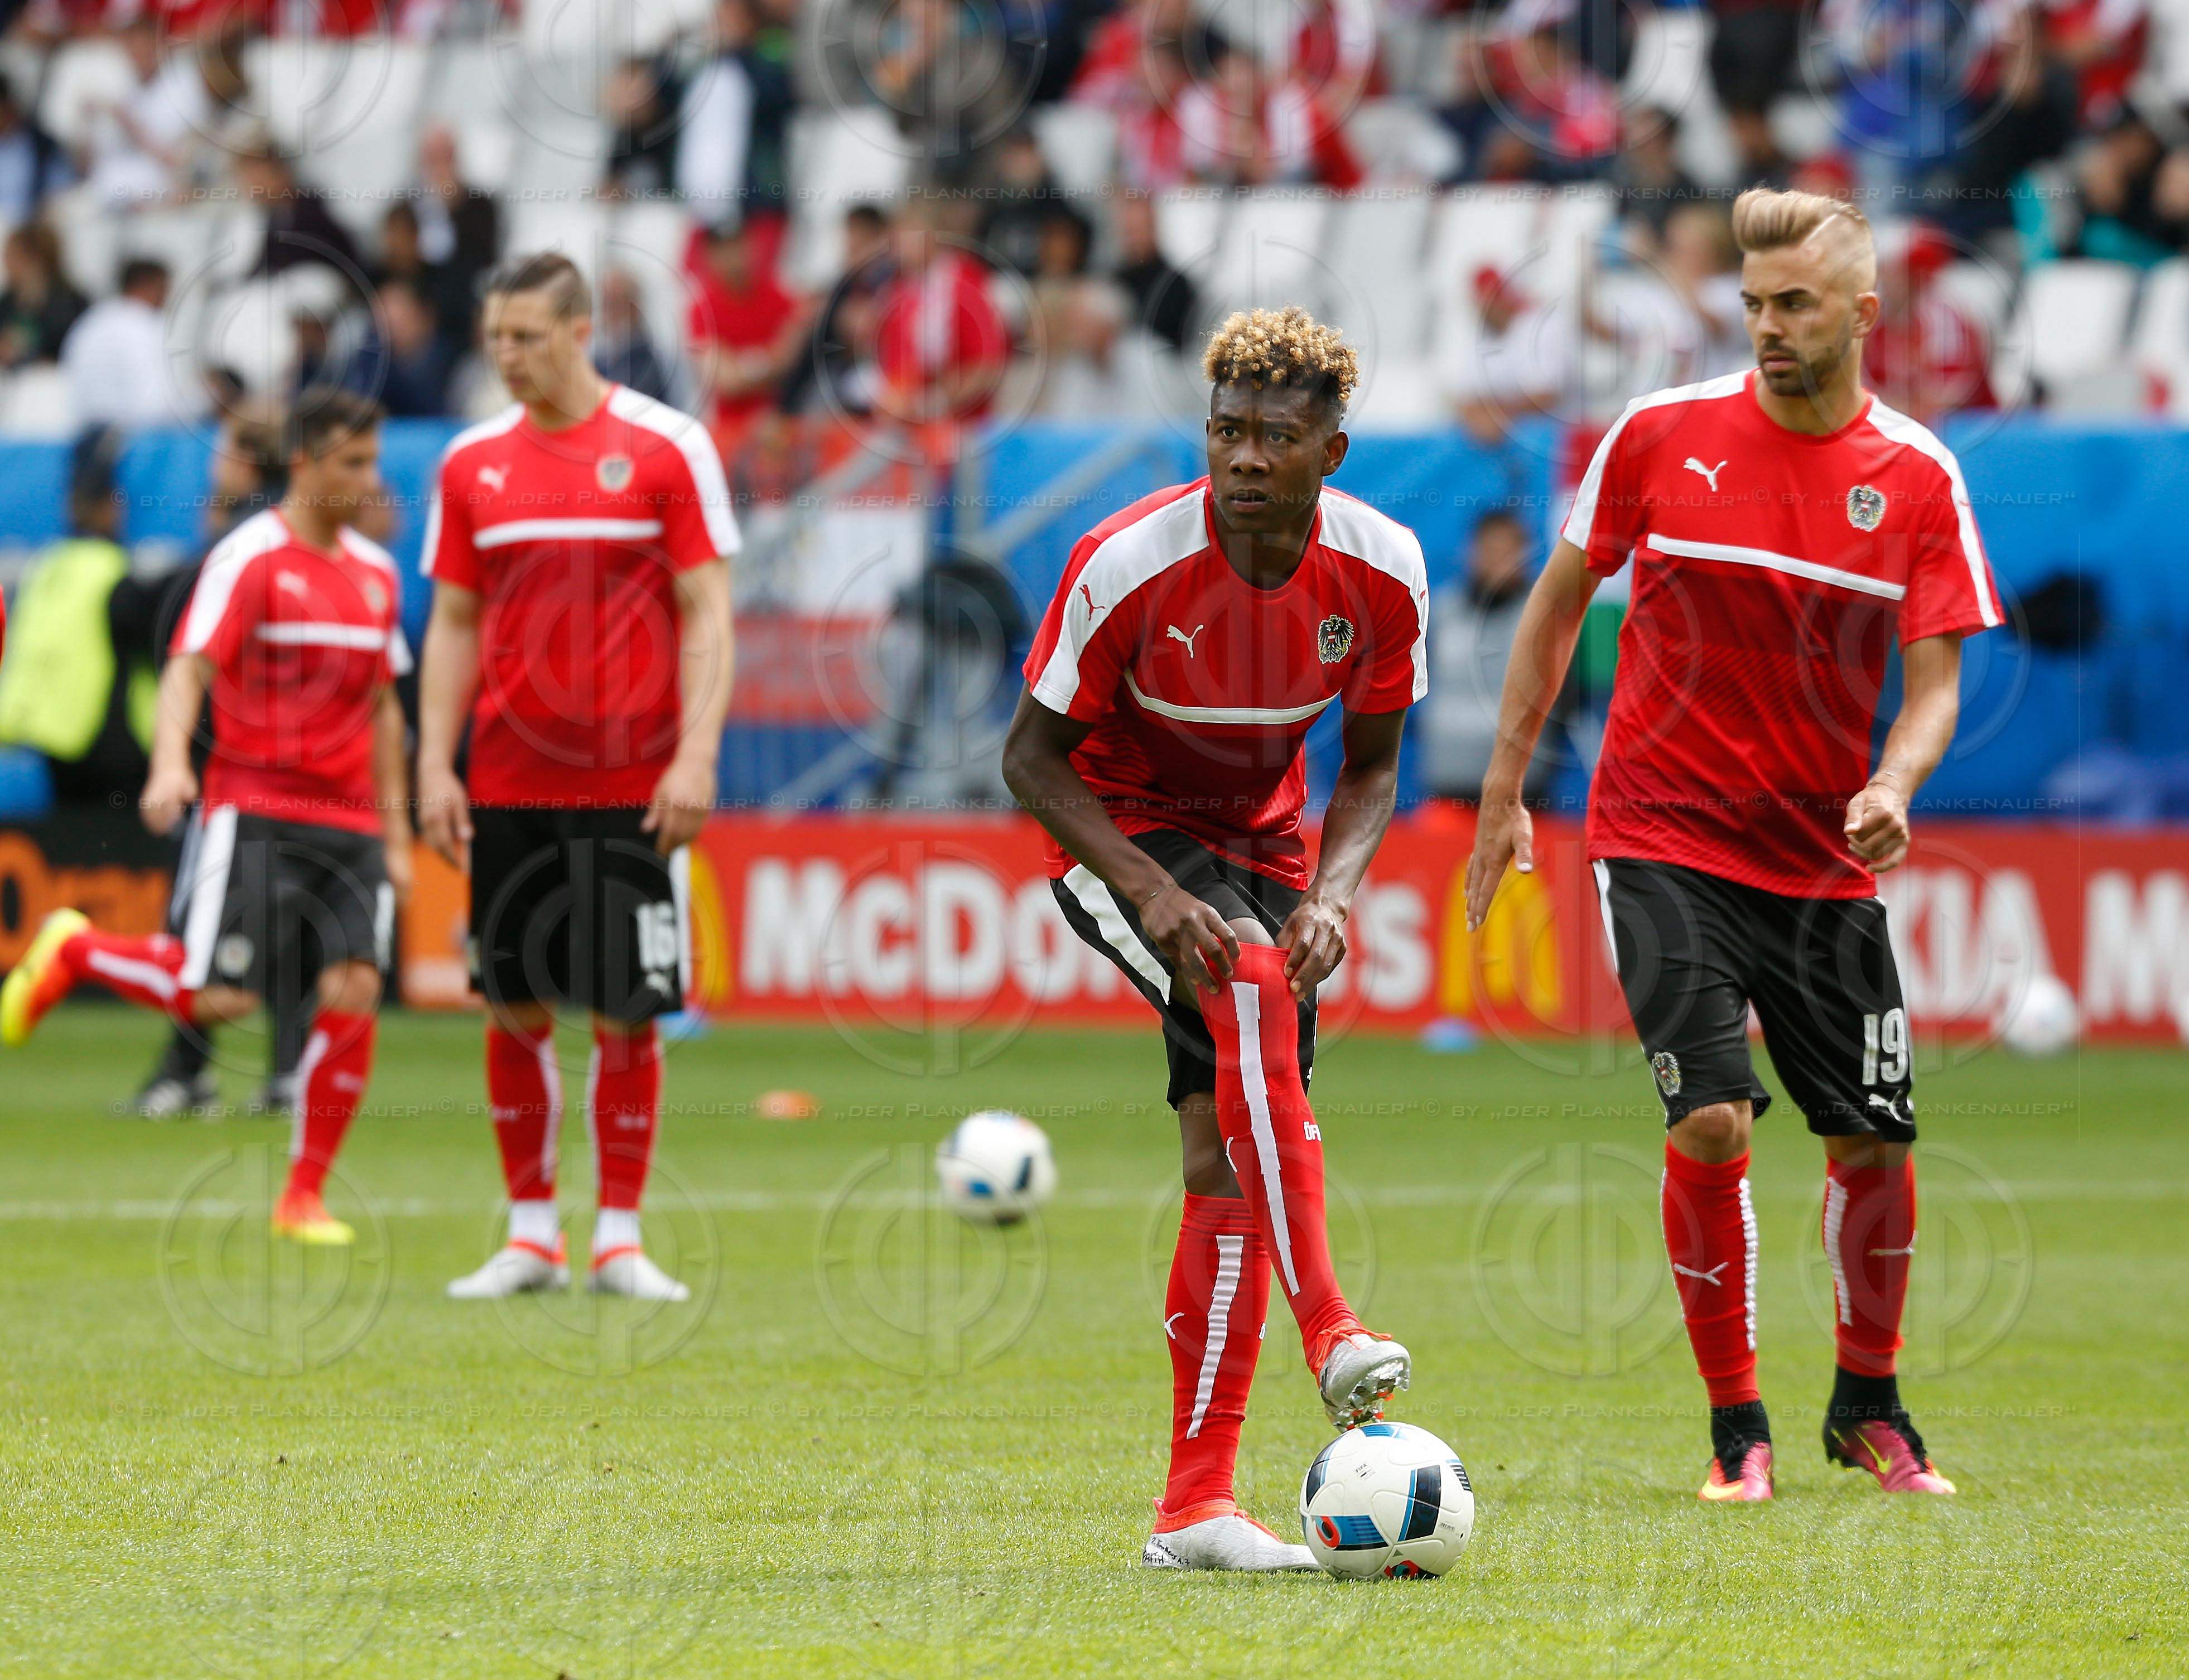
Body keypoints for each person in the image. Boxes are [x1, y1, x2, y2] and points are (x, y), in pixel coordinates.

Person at [1464, 188, 2003, 1503]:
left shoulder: (1918, 475)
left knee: (1874, 1143)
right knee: (1711, 1119)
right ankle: (1735, 1428)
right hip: (1659, 836)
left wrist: (1898, 778)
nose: (1766, 327)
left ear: (1864, 316)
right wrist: (1504, 788)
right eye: (1755, 304)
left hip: (1820, 861)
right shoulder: (1659, 437)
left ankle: (1868, 1406)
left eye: (1796, 305)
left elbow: (1934, 681)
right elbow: (1555, 603)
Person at [1001, 306, 1425, 1572]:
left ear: (1329, 454)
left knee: (1223, 1155)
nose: (1246, 457)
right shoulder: (1124, 561)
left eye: (1277, 437)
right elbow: (1028, 760)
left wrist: (1334, 896)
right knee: (1240, 974)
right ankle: (1333, 1326)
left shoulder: (1384, 571)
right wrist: (1143, 889)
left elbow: (1376, 766)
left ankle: (1194, 1509)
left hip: (1267, 845)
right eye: (1228, 430)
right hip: (1119, 834)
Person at [2, 389, 413, 1247]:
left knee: (356, 988)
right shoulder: (252, 555)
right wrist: (169, 764)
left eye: (374, 463)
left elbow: (384, 709)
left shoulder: (374, 575)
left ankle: (304, 1193)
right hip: (256, 805)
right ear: (304, 464)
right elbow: (190, 665)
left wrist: (399, 833)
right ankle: (75, 948)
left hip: (350, 821)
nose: (370, 482)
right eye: (353, 464)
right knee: (219, 996)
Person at [418, 252, 739, 1304]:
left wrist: (695, 753)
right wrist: (435, 761)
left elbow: (708, 611)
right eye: (495, 336)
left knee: (627, 1012)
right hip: (508, 781)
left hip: (631, 783)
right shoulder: (470, 465)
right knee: (511, 1005)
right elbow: (456, 623)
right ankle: (528, 1235)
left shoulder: (665, 448)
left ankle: (617, 1237)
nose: (506, 356)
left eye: (526, 337)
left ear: (577, 331)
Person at [113, 400, 317, 1121]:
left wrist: (179, 757)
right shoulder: (304, 542)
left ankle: (182, 1070)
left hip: (235, 773)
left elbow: (173, 642)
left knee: (198, 928)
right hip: (308, 773)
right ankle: (289, 1072)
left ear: (241, 462)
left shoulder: (234, 548)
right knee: (294, 921)